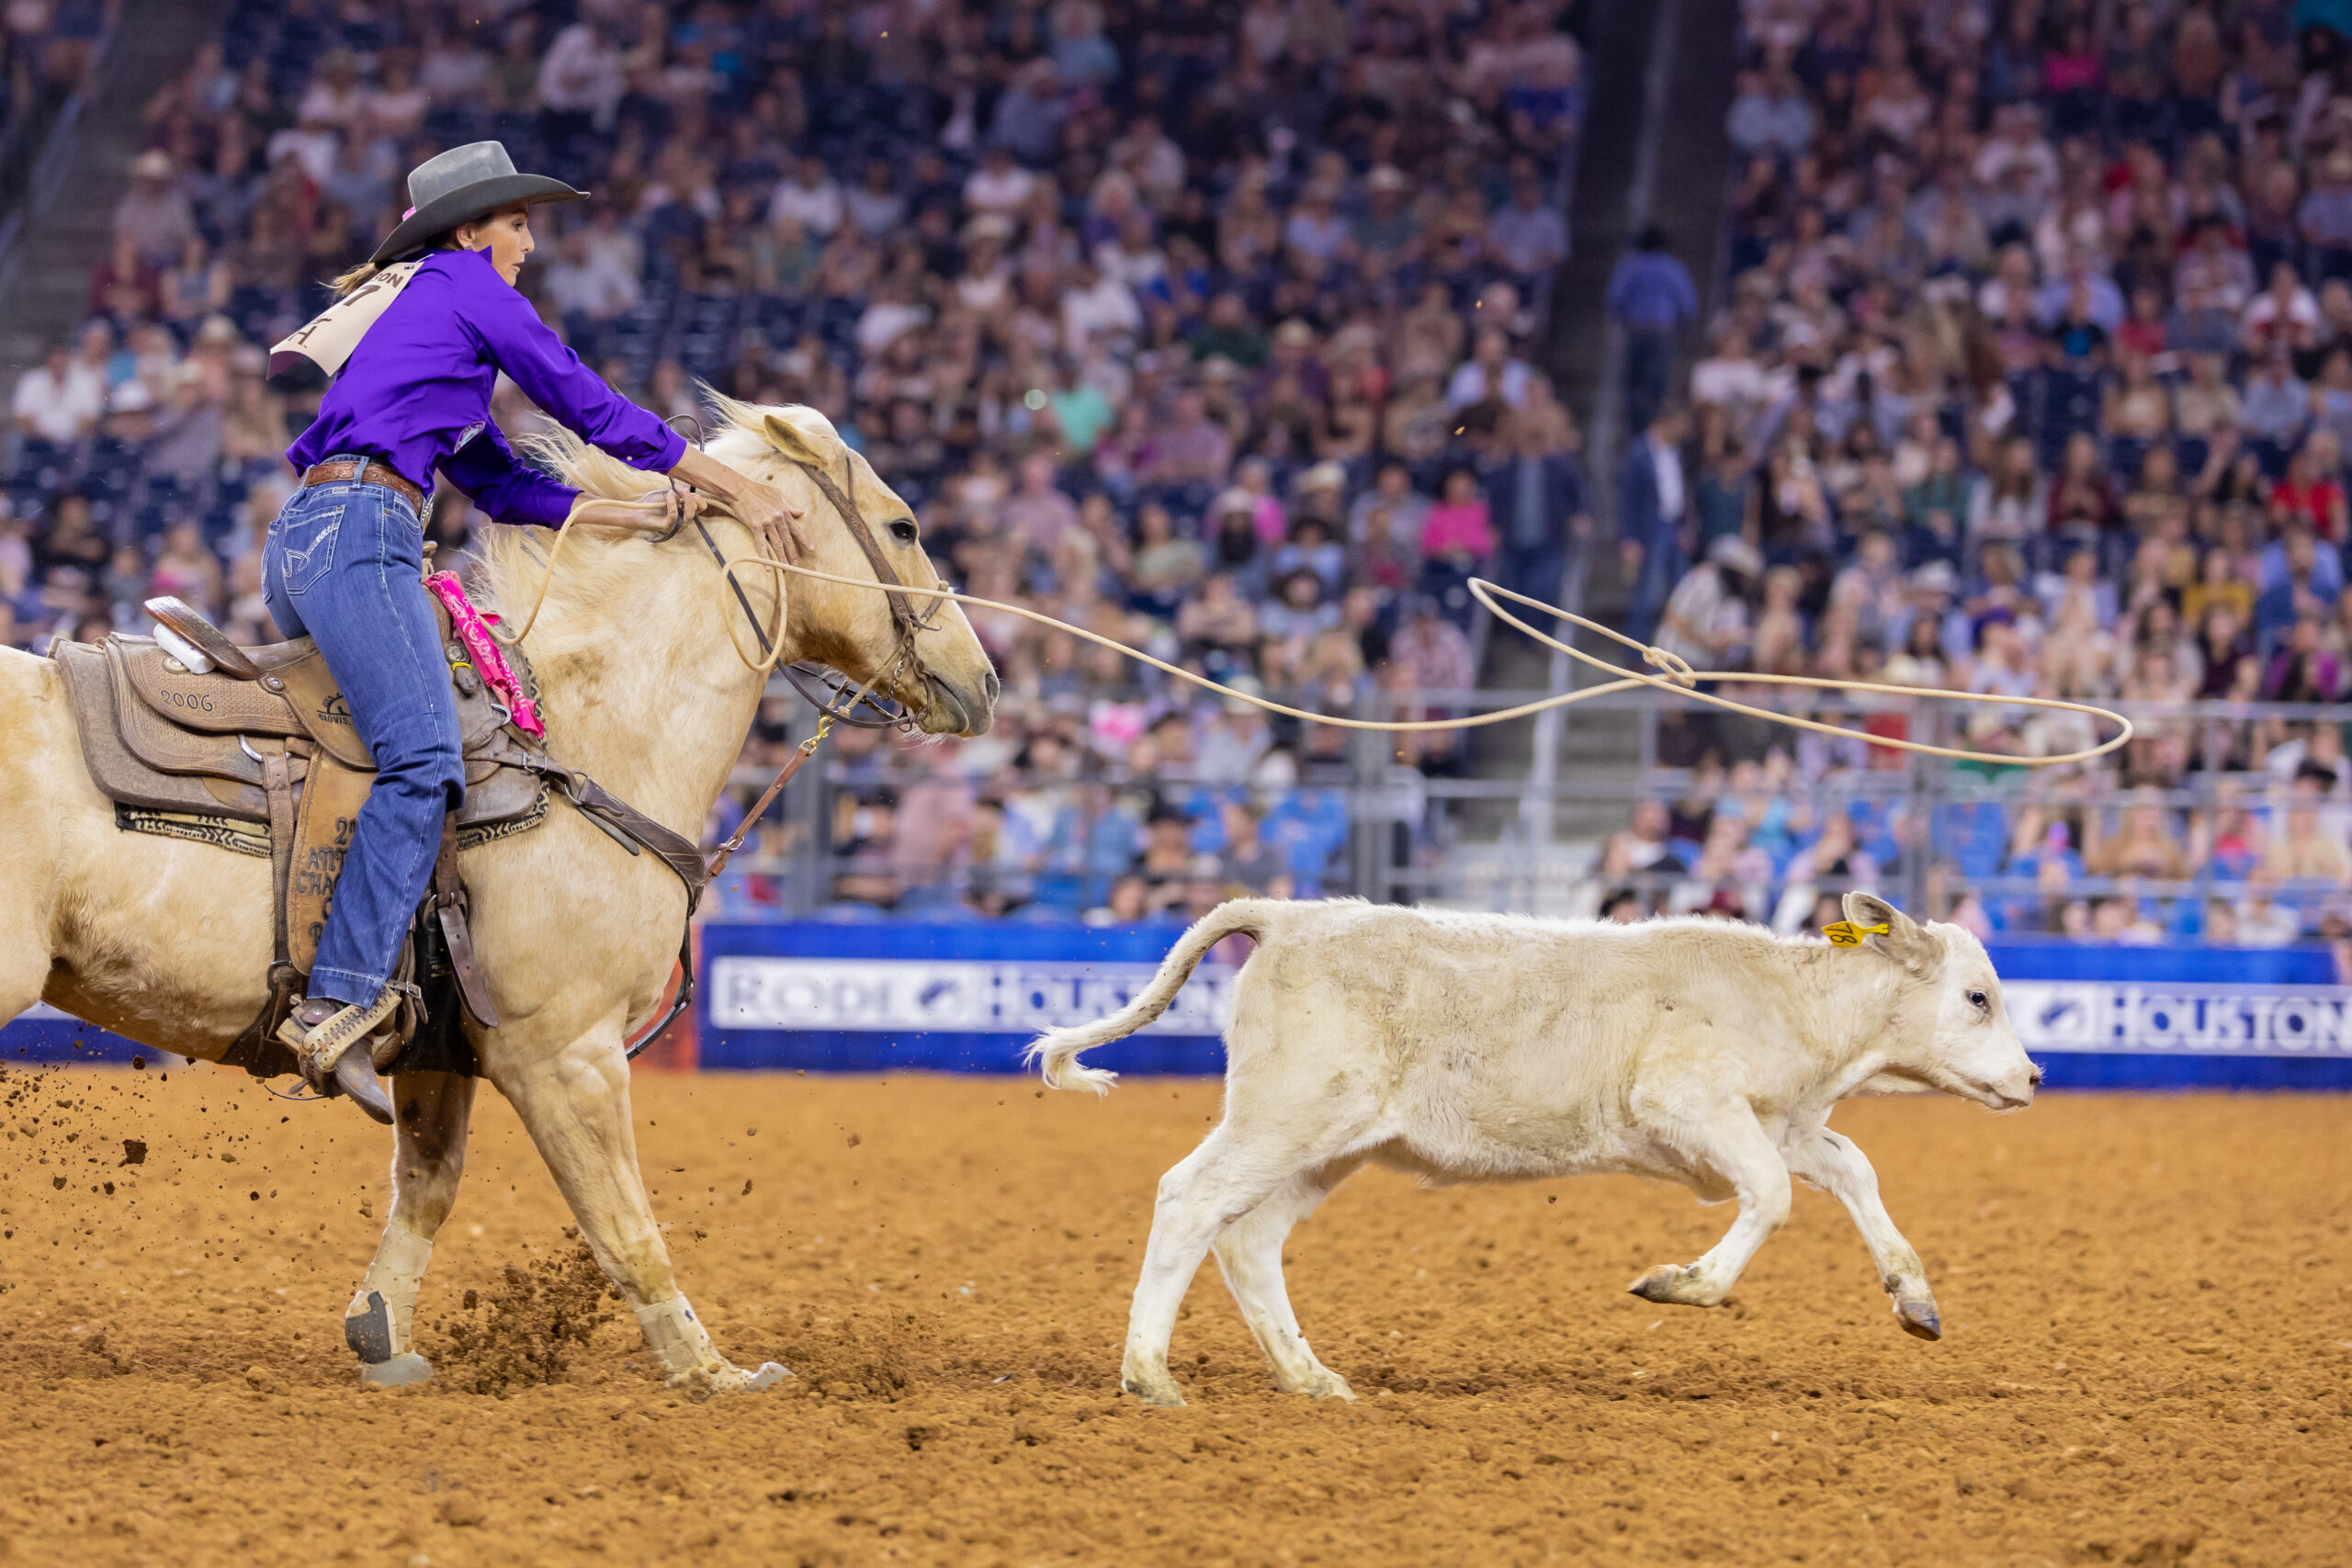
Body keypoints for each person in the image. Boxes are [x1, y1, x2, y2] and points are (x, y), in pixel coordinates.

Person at [268, 143, 808, 1118]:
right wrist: (735, 485)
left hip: (315, 537)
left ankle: (386, 972)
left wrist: (629, 517)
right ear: (469, 231)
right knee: (426, 758)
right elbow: (584, 401)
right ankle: (339, 1001)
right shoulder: (466, 286)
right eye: (517, 223)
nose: (528, 242)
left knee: (381, 751)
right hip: (362, 535)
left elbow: (501, 485)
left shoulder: (423, 321)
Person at [1606, 226, 1699, 430]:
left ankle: (1637, 431)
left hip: (1636, 329)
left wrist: (1620, 320)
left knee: (1634, 385)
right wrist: (1684, 327)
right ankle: (1657, 431)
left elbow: (1615, 298)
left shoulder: (1631, 266)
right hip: (1661, 331)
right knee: (1660, 385)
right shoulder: (1672, 267)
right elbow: (1688, 304)